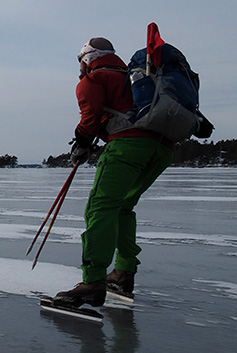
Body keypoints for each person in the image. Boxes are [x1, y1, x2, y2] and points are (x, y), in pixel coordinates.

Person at [53, 37, 175, 307]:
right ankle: (122, 273)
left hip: (127, 147)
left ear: (88, 58)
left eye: (81, 61)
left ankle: (93, 281)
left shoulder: (95, 79)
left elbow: (91, 114)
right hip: (162, 148)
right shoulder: (140, 77)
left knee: (100, 208)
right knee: (123, 207)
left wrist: (82, 143)